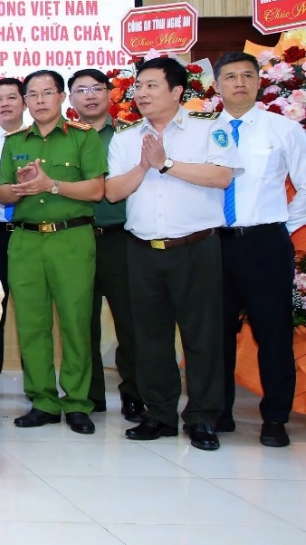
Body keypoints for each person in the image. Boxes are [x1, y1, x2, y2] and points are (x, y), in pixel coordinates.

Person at [106, 57, 240, 451]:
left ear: (177, 91)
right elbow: (114, 192)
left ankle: (202, 417)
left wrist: (165, 163)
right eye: (138, 86)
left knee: (202, 337)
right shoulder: (125, 137)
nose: (141, 93)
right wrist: (146, 166)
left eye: (151, 86)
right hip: (143, 249)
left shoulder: (209, 129)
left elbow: (222, 176)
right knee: (150, 338)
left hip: (195, 247)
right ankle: (159, 415)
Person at [0, 70, 106, 435]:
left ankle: (77, 402)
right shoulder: (14, 142)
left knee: (76, 322)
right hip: (26, 241)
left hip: (70, 239)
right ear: (25, 101)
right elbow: (1, 195)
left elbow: (95, 190)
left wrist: (51, 185)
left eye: (48, 93)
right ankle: (42, 400)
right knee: (31, 323)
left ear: (62, 97)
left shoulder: (82, 138)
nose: (40, 100)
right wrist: (21, 187)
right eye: (33, 94)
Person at [213, 51, 306, 447]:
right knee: (214, 333)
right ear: (216, 85)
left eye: (247, 76)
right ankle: (217, 412)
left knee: (273, 332)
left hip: (265, 242)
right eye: (230, 76)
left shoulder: (283, 130)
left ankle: (275, 419)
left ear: (258, 82)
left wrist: (280, 226)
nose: (239, 83)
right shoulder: (200, 131)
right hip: (212, 243)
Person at [68, 69, 144, 422]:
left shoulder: (129, 135)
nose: (90, 96)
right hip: (76, 238)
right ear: (70, 99)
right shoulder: (65, 139)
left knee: (129, 320)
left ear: (109, 94)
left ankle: (133, 394)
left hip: (119, 239)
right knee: (81, 322)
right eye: (81, 90)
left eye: (97, 88)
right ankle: (90, 394)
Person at [0, 77, 24, 396]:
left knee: (30, 310)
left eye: (12, 97)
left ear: (24, 102)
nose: (6, 104)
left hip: (29, 232)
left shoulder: (38, 139)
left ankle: (38, 385)